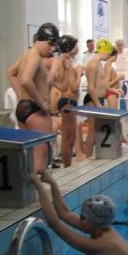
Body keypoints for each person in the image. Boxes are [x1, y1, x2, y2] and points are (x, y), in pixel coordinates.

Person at [31, 170, 128, 255]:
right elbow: (64, 213)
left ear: (88, 220)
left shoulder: (101, 244)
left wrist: (39, 187)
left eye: (82, 216)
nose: (80, 219)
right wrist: (52, 183)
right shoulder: (101, 225)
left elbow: (54, 223)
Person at [13, 23, 66, 173]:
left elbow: (11, 72)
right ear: (41, 40)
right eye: (50, 45)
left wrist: (21, 96)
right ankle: (38, 186)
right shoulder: (35, 57)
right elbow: (25, 80)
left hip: (23, 107)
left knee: (29, 154)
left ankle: (29, 186)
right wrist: (41, 103)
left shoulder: (26, 55)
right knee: (41, 155)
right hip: (35, 110)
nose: (52, 49)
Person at [84, 38, 117, 157]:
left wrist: (112, 90)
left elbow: (101, 84)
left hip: (98, 99)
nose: (108, 57)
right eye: (108, 54)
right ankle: (87, 157)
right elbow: (91, 87)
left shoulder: (98, 64)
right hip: (92, 100)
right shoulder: (93, 64)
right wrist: (98, 104)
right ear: (104, 51)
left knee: (96, 131)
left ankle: (92, 156)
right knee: (92, 131)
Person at [53, 35, 81, 168]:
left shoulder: (65, 61)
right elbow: (74, 87)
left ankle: (68, 165)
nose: (78, 48)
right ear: (69, 47)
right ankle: (67, 168)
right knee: (67, 137)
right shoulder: (64, 62)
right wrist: (79, 73)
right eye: (76, 45)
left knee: (71, 137)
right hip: (67, 102)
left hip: (69, 102)